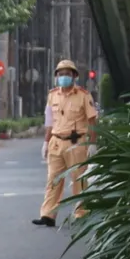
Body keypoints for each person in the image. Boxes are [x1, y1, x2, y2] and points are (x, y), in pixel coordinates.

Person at [33, 60, 98, 227]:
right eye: (61, 74)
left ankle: (80, 212)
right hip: (56, 142)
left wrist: (92, 143)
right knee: (53, 180)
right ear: (56, 77)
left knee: (78, 179)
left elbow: (92, 120)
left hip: (76, 142)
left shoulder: (83, 95)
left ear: (74, 76)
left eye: (67, 74)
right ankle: (48, 214)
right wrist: (46, 142)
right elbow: (49, 121)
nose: (64, 77)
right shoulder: (52, 95)